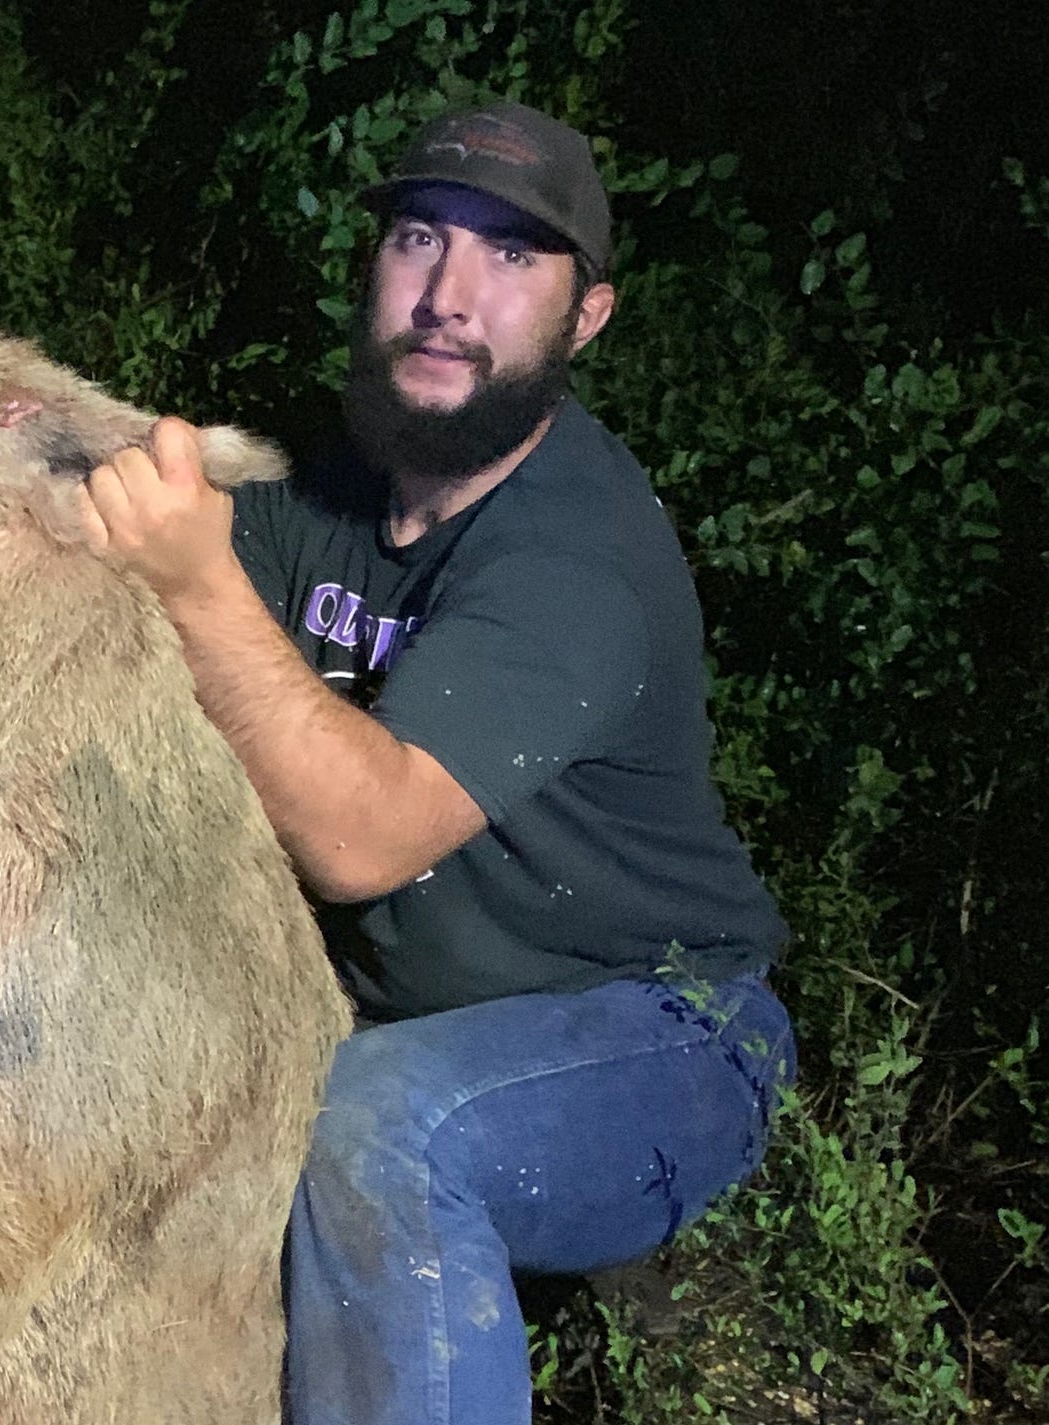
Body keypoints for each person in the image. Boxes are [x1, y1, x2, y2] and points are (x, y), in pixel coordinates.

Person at [75, 101, 795, 1424]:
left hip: (659, 1029)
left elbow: (363, 835)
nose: (449, 296)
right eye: (421, 238)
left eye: (512, 258)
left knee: (381, 1125)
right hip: (402, 1007)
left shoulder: (572, 557)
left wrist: (194, 584)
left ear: (587, 317)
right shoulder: (318, 480)